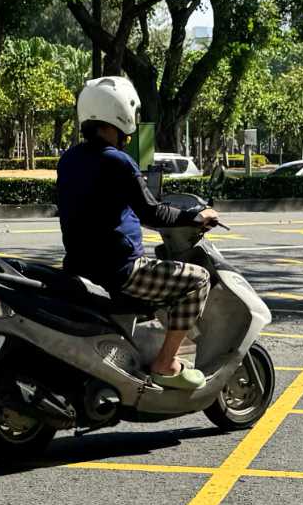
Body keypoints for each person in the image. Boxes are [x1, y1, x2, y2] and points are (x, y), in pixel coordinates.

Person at [56, 75, 220, 390]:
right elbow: (152, 212)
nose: (128, 137)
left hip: (78, 267)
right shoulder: (118, 162)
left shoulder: (69, 160)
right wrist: (195, 216)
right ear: (119, 115)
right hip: (121, 270)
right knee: (198, 280)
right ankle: (166, 361)